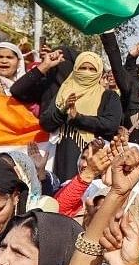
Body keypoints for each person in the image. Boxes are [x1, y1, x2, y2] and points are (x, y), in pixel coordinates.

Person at [40, 51, 122, 183]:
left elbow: (111, 125)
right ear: (75, 69)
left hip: (94, 154)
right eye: (82, 68)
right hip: (63, 154)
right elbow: (46, 123)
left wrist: (78, 118)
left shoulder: (108, 96)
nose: (87, 72)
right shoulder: (63, 92)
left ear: (99, 72)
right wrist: (63, 110)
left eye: (92, 69)